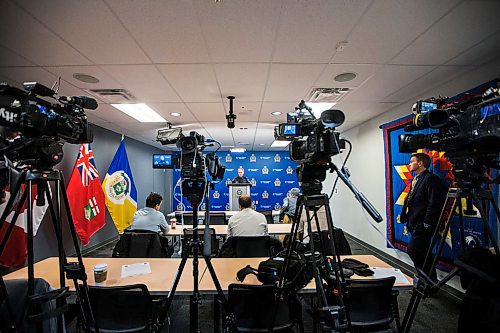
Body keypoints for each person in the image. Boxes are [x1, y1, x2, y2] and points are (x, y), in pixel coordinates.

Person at [400, 152, 447, 283]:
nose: (409, 164)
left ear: (420, 163)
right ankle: (425, 281)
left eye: (412, 161)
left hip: (423, 224)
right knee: (423, 253)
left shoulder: (430, 179)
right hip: (413, 222)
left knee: (414, 251)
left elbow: (434, 203)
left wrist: (427, 223)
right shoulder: (416, 179)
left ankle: (429, 281)